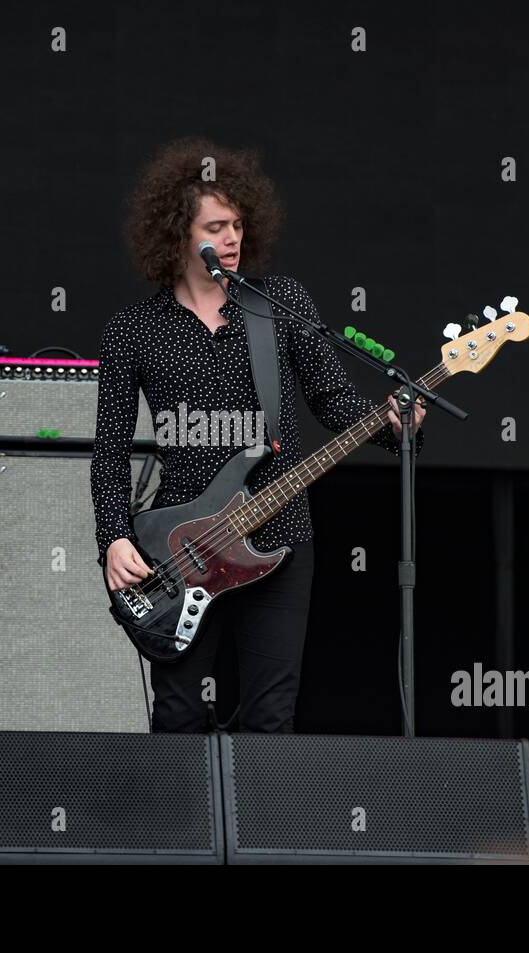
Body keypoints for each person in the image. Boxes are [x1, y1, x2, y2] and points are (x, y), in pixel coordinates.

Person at [90, 136, 425, 734]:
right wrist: (113, 537)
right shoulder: (133, 330)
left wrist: (391, 425)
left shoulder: (279, 305)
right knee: (180, 713)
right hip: (180, 548)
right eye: (217, 227)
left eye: (239, 225)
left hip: (282, 536)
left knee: (271, 715)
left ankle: (254, 831)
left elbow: (332, 399)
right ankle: (181, 829)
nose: (233, 239)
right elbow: (110, 449)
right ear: (177, 234)